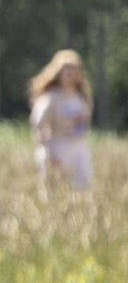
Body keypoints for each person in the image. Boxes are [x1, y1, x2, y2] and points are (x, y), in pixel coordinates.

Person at [29, 49, 93, 191]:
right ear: (58, 72)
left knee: (81, 193)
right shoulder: (50, 98)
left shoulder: (81, 97)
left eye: (74, 70)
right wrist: (49, 152)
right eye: (67, 70)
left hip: (78, 149)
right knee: (55, 194)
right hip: (57, 149)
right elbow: (39, 125)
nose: (71, 74)